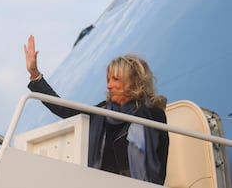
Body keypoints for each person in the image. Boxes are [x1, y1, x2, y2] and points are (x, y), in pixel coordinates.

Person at [24, 35, 169, 185]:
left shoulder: (153, 115)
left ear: (133, 82)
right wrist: (35, 75)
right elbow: (64, 109)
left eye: (115, 79)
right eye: (108, 80)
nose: (109, 85)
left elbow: (157, 170)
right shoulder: (103, 111)